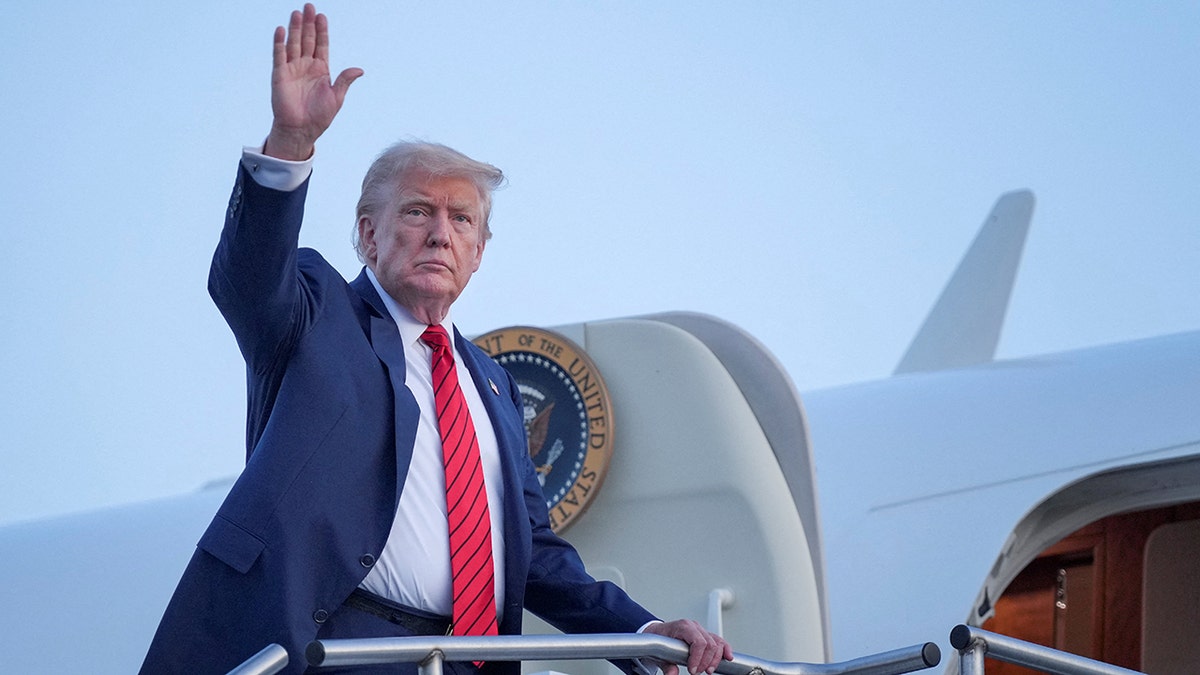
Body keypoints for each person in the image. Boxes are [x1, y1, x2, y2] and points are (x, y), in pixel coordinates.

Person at [140, 5, 732, 674]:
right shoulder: (316, 311)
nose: (439, 232)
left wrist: (646, 630)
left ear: (479, 251)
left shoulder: (492, 382)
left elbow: (531, 553)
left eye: (461, 219)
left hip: (465, 660)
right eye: (417, 211)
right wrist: (291, 143)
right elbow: (248, 278)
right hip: (331, 650)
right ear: (368, 234)